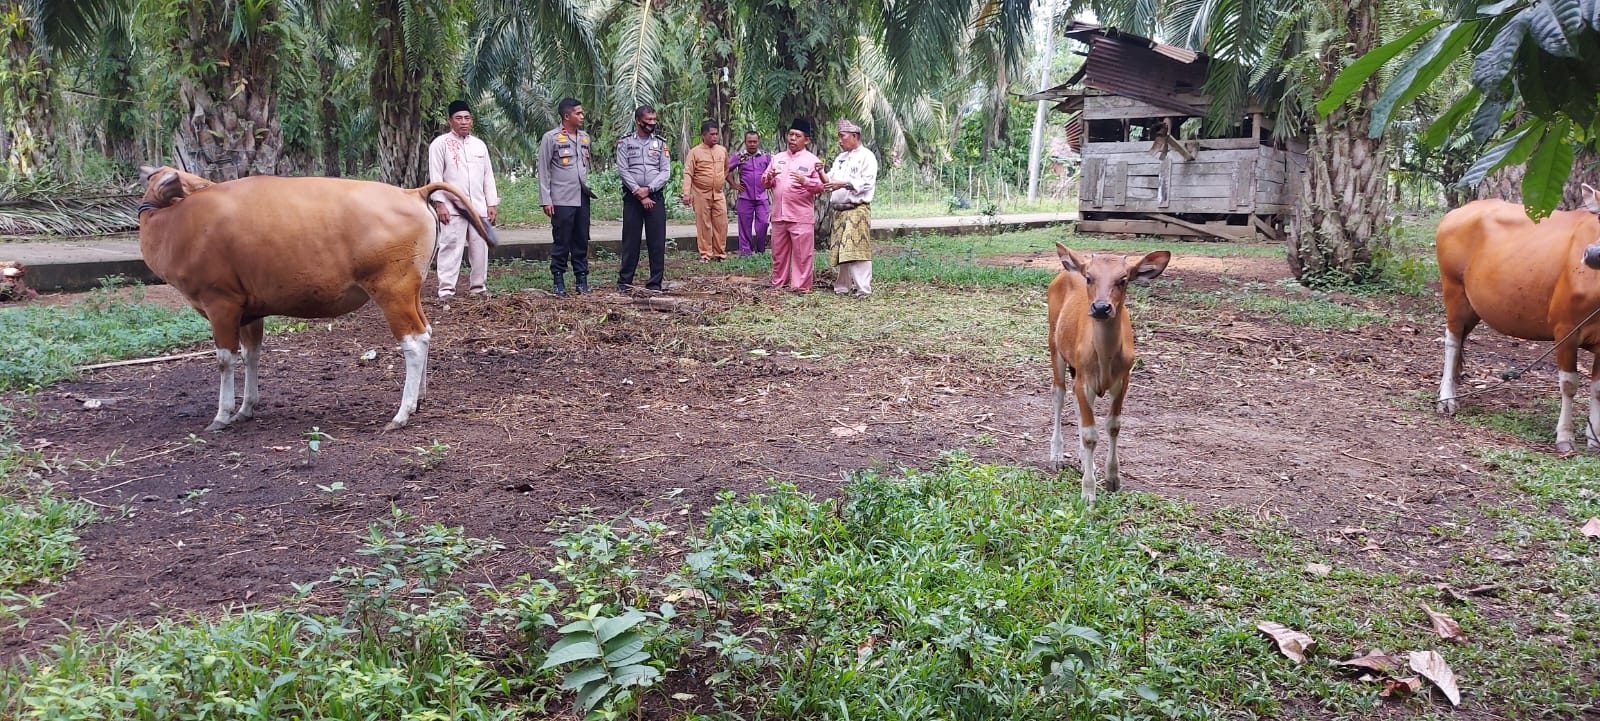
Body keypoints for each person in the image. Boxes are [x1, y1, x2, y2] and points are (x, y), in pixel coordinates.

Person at [427, 99, 498, 299]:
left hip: (478, 208)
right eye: (458, 118)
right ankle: (446, 289)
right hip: (452, 207)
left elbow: (488, 176)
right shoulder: (440, 145)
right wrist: (440, 204)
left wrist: (491, 204)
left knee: (480, 248)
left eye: (467, 118)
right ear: (450, 121)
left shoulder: (479, 146)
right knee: (450, 246)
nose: (463, 122)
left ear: (472, 121)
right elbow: (436, 177)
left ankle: (478, 287)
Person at [537, 97, 595, 296]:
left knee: (581, 239)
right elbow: (543, 169)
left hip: (582, 196)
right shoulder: (551, 137)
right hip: (561, 198)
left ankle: (581, 279)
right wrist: (546, 199)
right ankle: (558, 279)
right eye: (578, 113)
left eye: (582, 113)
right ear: (566, 116)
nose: (582, 116)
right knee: (562, 240)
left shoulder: (585, 137)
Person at [762, 118, 826, 292]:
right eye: (791, 134)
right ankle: (779, 283)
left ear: (806, 140)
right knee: (778, 253)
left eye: (797, 136)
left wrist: (805, 181)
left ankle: (800, 286)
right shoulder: (778, 158)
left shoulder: (813, 161)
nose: (792, 138)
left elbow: (822, 186)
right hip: (779, 215)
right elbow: (765, 181)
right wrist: (769, 178)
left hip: (800, 216)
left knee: (802, 254)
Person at [822, 119, 879, 298]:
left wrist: (843, 184)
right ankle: (842, 287)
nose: (839, 141)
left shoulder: (867, 156)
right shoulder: (840, 158)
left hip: (857, 209)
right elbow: (829, 181)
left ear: (854, 136)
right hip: (839, 210)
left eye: (842, 136)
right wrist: (819, 171)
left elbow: (866, 183)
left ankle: (863, 289)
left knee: (856, 248)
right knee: (841, 249)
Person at [681, 121, 730, 263]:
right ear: (704, 135)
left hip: (718, 193)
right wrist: (686, 193)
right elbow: (688, 173)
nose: (715, 137)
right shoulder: (694, 152)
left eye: (716, 134)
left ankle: (720, 253)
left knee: (721, 223)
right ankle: (705, 254)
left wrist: (719, 180)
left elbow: (726, 169)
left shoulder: (722, 150)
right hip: (701, 194)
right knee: (703, 224)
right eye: (712, 134)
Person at [728, 130, 772, 256]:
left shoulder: (765, 156)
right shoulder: (740, 156)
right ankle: (745, 252)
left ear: (758, 142)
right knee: (744, 226)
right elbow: (726, 170)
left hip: (762, 197)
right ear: (745, 142)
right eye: (749, 142)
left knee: (763, 224)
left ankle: (760, 251)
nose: (752, 144)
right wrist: (734, 184)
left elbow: (773, 171)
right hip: (745, 197)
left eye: (755, 141)